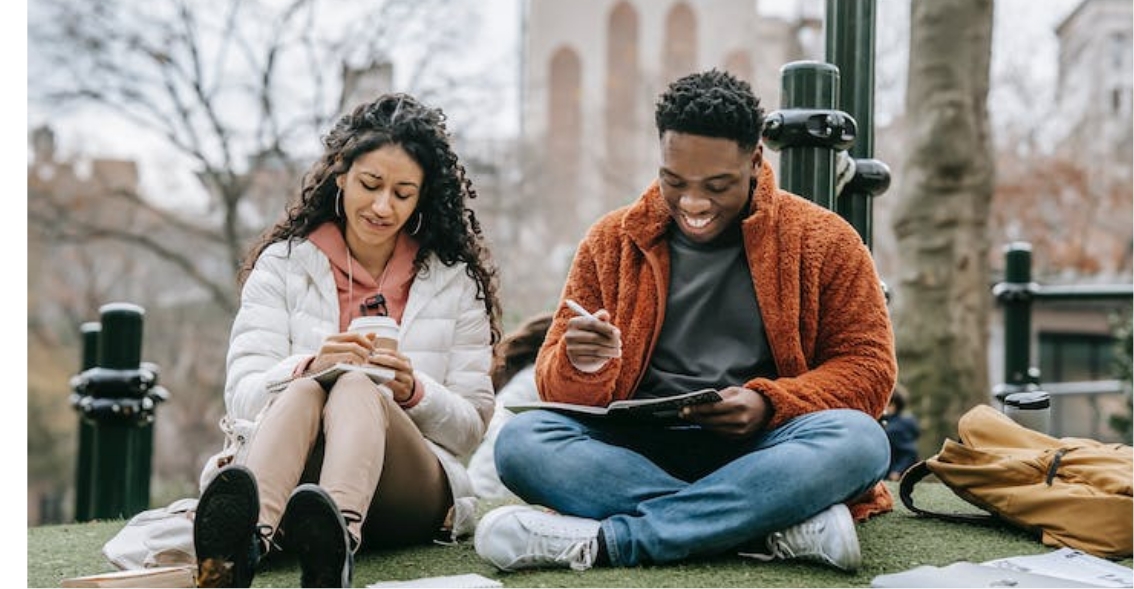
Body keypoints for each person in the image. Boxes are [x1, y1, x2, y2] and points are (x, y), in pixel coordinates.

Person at [474, 69, 896, 573]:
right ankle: (768, 525)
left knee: (862, 440)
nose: (694, 204)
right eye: (674, 182)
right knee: (523, 443)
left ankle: (612, 542)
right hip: (639, 454)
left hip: (764, 449)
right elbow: (556, 389)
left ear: (756, 161)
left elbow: (869, 370)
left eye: (718, 185)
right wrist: (581, 364)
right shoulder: (610, 241)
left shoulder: (825, 240)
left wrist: (768, 403)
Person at [193, 92, 502, 588]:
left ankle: (334, 546)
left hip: (408, 489)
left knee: (360, 387)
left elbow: (469, 429)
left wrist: (412, 391)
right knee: (308, 386)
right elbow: (244, 395)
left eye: (402, 193)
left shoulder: (453, 280)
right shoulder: (284, 265)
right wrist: (308, 366)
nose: (382, 206)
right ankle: (245, 549)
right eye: (370, 184)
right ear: (341, 175)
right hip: (298, 478)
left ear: (422, 197)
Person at [467, 312, 554, 499]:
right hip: (488, 482)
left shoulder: (538, 375)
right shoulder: (534, 377)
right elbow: (501, 413)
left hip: (492, 475)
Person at [881, 384, 920, 481]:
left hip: (894, 475)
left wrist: (897, 471)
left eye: (887, 404)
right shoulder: (886, 423)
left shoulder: (896, 427)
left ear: (894, 406)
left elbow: (909, 452)